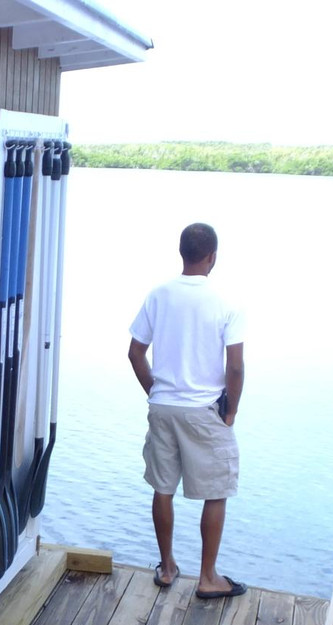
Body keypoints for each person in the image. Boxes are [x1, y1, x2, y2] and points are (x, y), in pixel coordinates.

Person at [127, 223, 247, 599]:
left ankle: (167, 566)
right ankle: (208, 576)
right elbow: (236, 367)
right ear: (212, 256)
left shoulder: (159, 294)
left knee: (163, 488)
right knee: (216, 492)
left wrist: (156, 391)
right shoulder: (226, 302)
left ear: (182, 253)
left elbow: (135, 352)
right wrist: (232, 411)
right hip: (203, 410)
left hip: (163, 407)